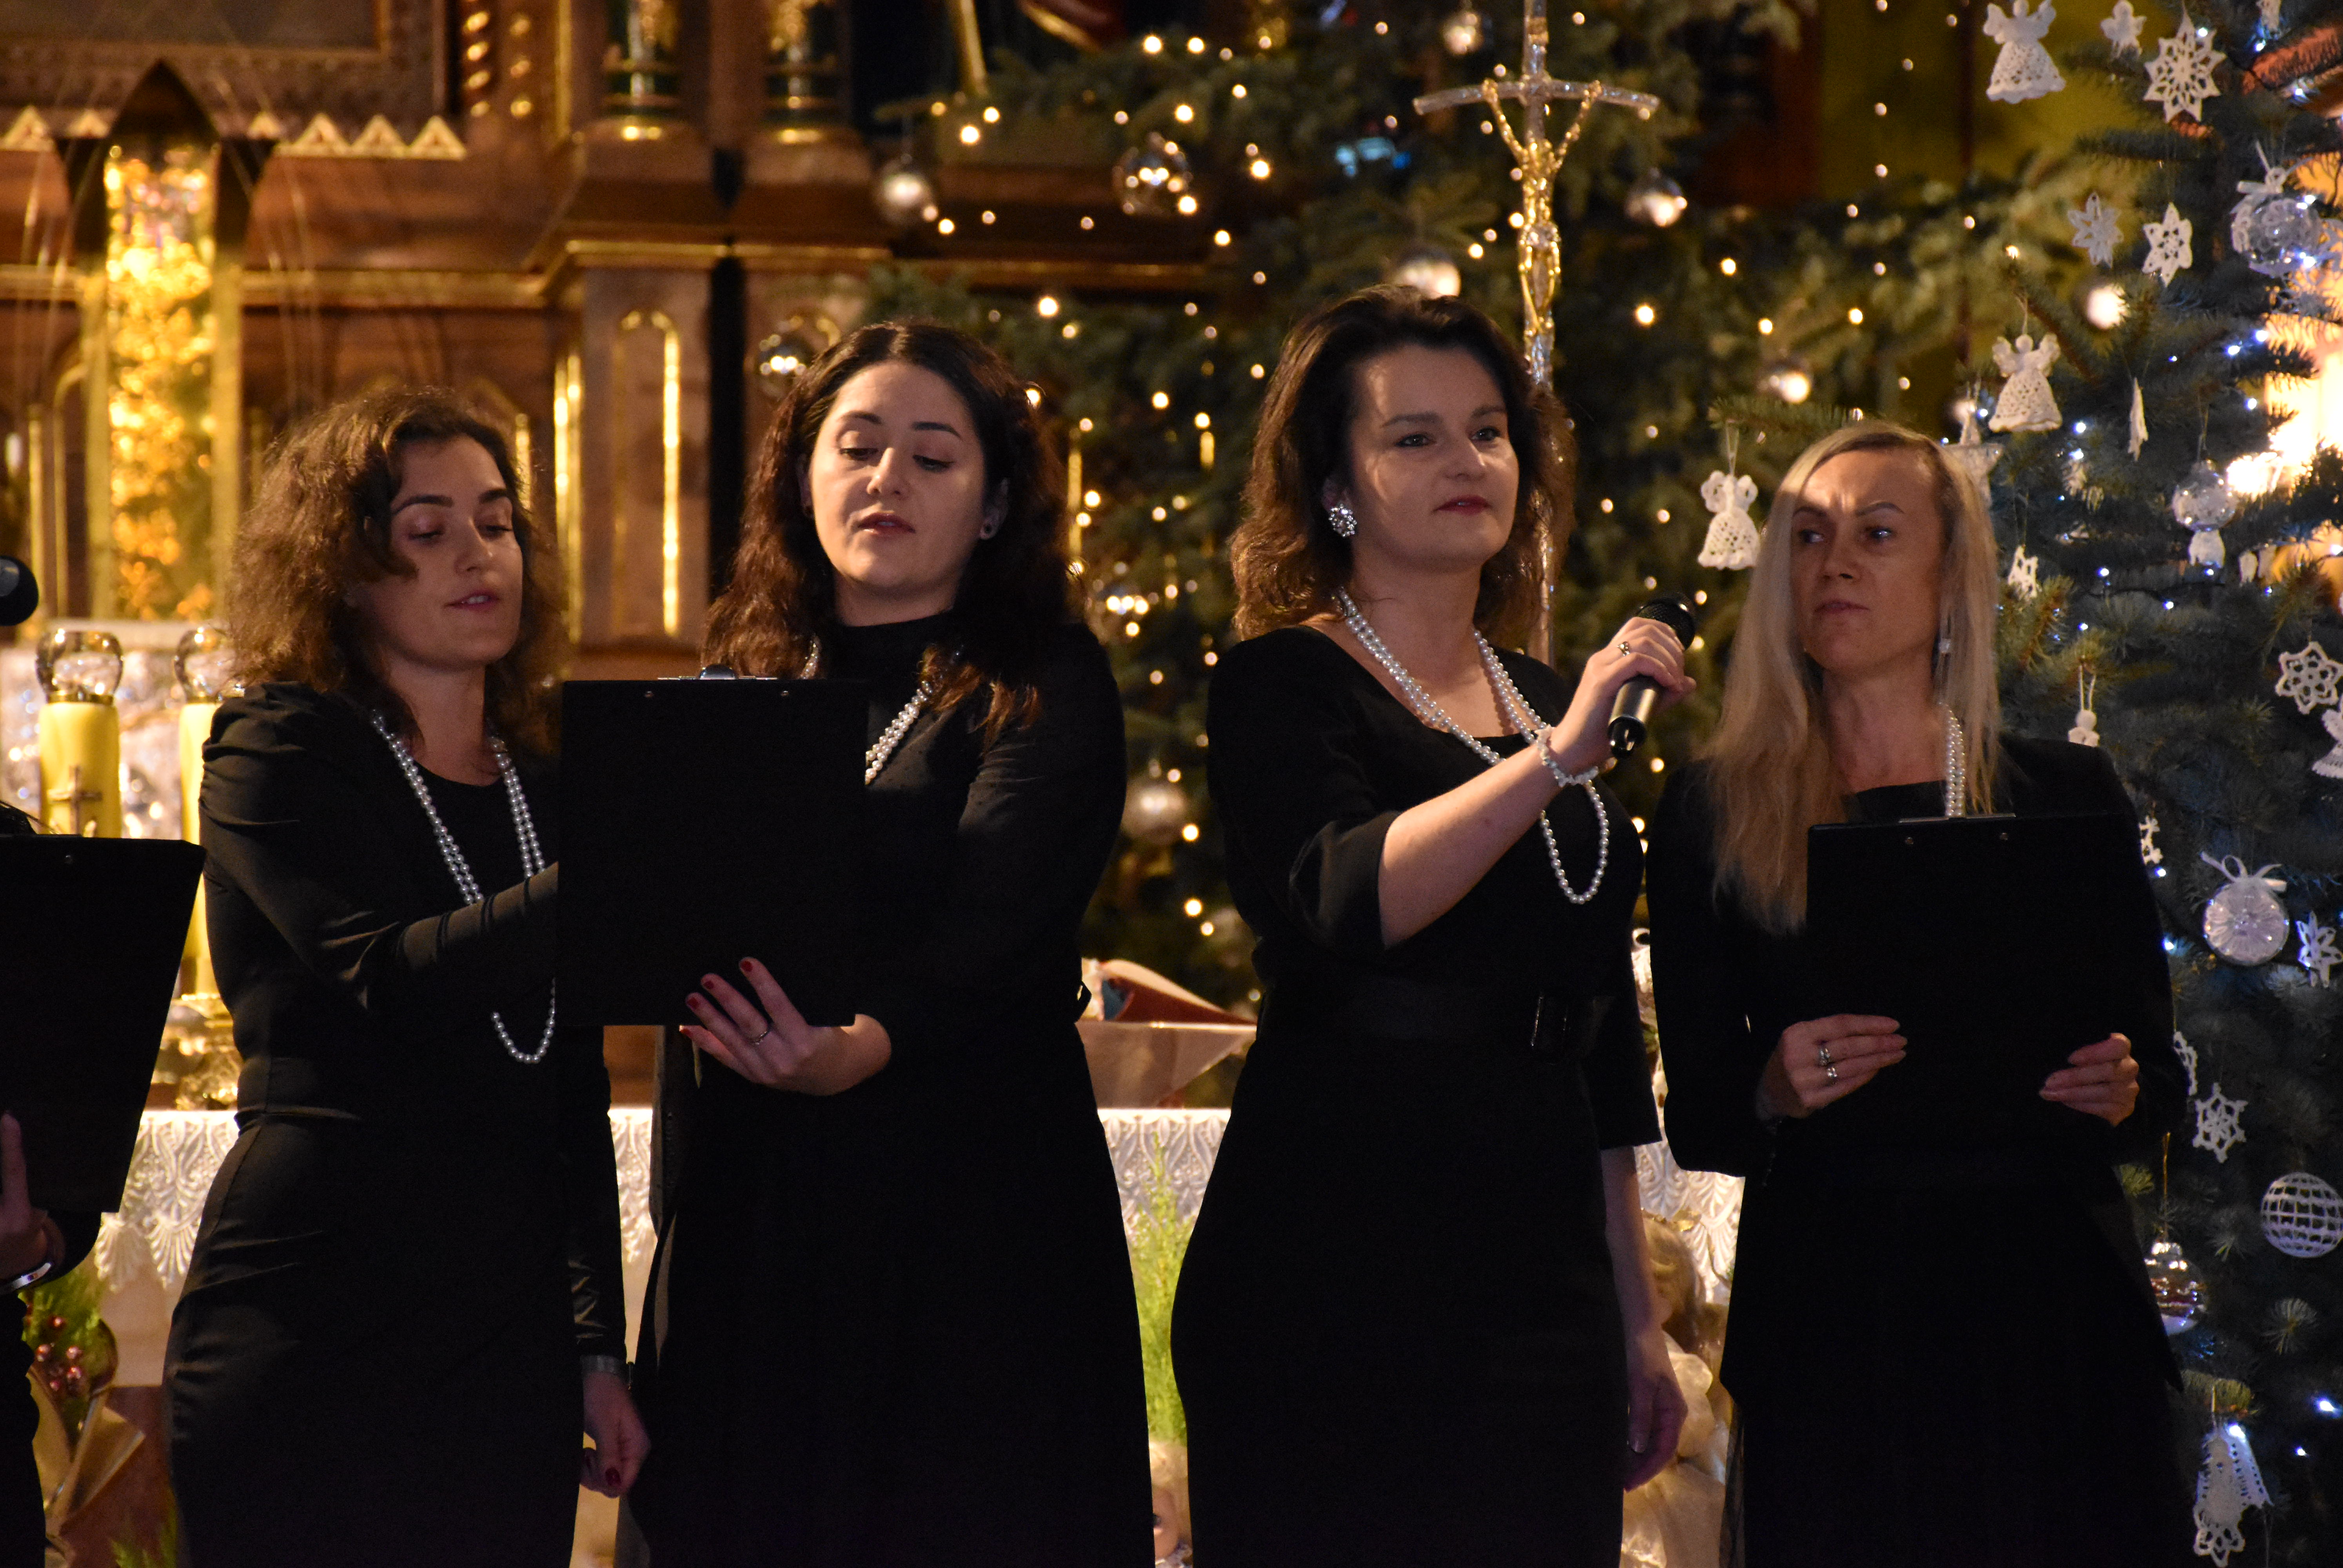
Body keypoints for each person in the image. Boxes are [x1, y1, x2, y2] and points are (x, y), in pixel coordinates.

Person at [1170, 285, 1693, 1568]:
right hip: (1337, 1243)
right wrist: (1554, 763)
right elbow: (1351, 896)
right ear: (1335, 487)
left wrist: (1636, 1318)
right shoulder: (1283, 683)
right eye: (1415, 437)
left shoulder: (1544, 693)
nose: (1467, 461)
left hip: (1543, 1256)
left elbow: (1597, 1037)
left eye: (1489, 432)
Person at [626, 322, 1149, 1566]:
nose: (887, 481)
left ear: (994, 504)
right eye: (857, 448)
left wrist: (868, 1042)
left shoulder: (1043, 675)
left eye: (933, 457)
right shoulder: (746, 672)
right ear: (802, 475)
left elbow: (1003, 911)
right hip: (763, 1199)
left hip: (970, 1201)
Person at [1645, 420, 2190, 1568]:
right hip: (1838, 1312)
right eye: (1807, 537)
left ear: (1950, 580)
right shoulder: (1713, 809)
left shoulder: (2062, 791)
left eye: (1877, 534)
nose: (1834, 564)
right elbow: (1700, 1114)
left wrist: (2121, 1087)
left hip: (2048, 1303)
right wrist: (1771, 1087)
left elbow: (2156, 1079)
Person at [164, 389, 645, 1567]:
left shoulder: (549, 784)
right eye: (427, 531)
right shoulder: (278, 748)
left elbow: (569, 1091)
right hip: (313, 1310)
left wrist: (597, 1350)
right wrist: (634, 860)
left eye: (497, 523)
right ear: (342, 571)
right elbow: (388, 973)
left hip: (506, 1341)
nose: (479, 555)